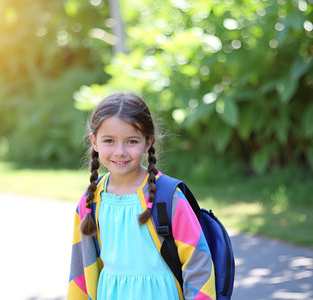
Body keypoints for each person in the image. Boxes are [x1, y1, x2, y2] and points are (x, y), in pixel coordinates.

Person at [67, 92, 215, 300]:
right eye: (109, 140)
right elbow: (80, 271)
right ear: (94, 141)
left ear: (148, 143)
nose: (120, 151)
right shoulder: (91, 201)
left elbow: (198, 262)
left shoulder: (168, 197)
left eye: (131, 141)